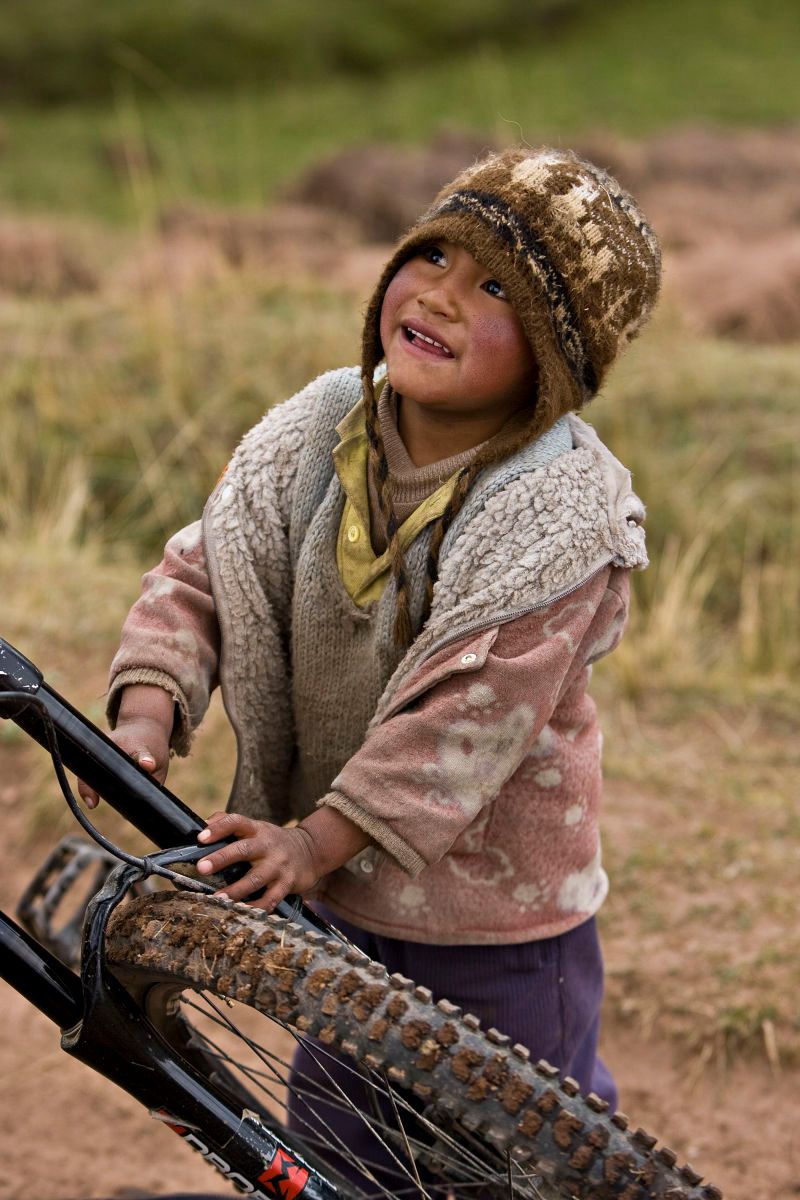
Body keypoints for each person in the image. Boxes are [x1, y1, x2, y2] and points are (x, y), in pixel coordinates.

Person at [80, 147, 660, 1187]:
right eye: (431, 253)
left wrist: (312, 841)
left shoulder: (561, 516)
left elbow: (463, 723)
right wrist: (146, 712)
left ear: (553, 359)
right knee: (337, 1150)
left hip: (497, 928)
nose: (439, 292)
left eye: (494, 288)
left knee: (521, 1153)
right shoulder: (318, 431)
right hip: (343, 910)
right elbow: (211, 572)